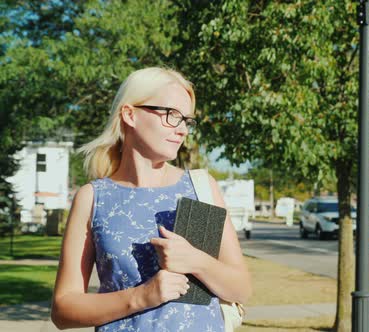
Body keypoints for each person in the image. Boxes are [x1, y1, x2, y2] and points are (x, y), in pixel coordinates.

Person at [51, 67, 252, 331]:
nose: (182, 130)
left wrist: (196, 261)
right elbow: (63, 310)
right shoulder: (93, 198)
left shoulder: (200, 188)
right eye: (171, 115)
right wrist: (142, 296)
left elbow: (241, 289)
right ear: (130, 114)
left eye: (187, 120)